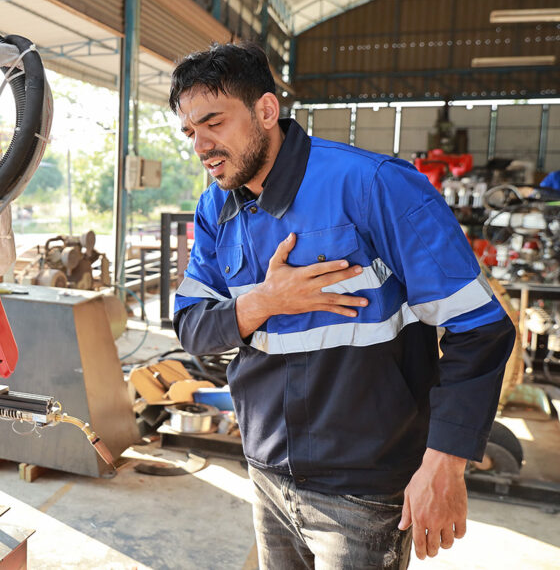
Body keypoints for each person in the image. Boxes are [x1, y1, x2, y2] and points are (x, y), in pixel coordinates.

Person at [170, 42, 515, 569]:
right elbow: (193, 327)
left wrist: (444, 463)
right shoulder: (217, 206)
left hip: (364, 491)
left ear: (266, 110)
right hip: (265, 473)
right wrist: (264, 301)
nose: (201, 145)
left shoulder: (376, 185)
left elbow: (480, 328)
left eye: (213, 122)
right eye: (190, 131)